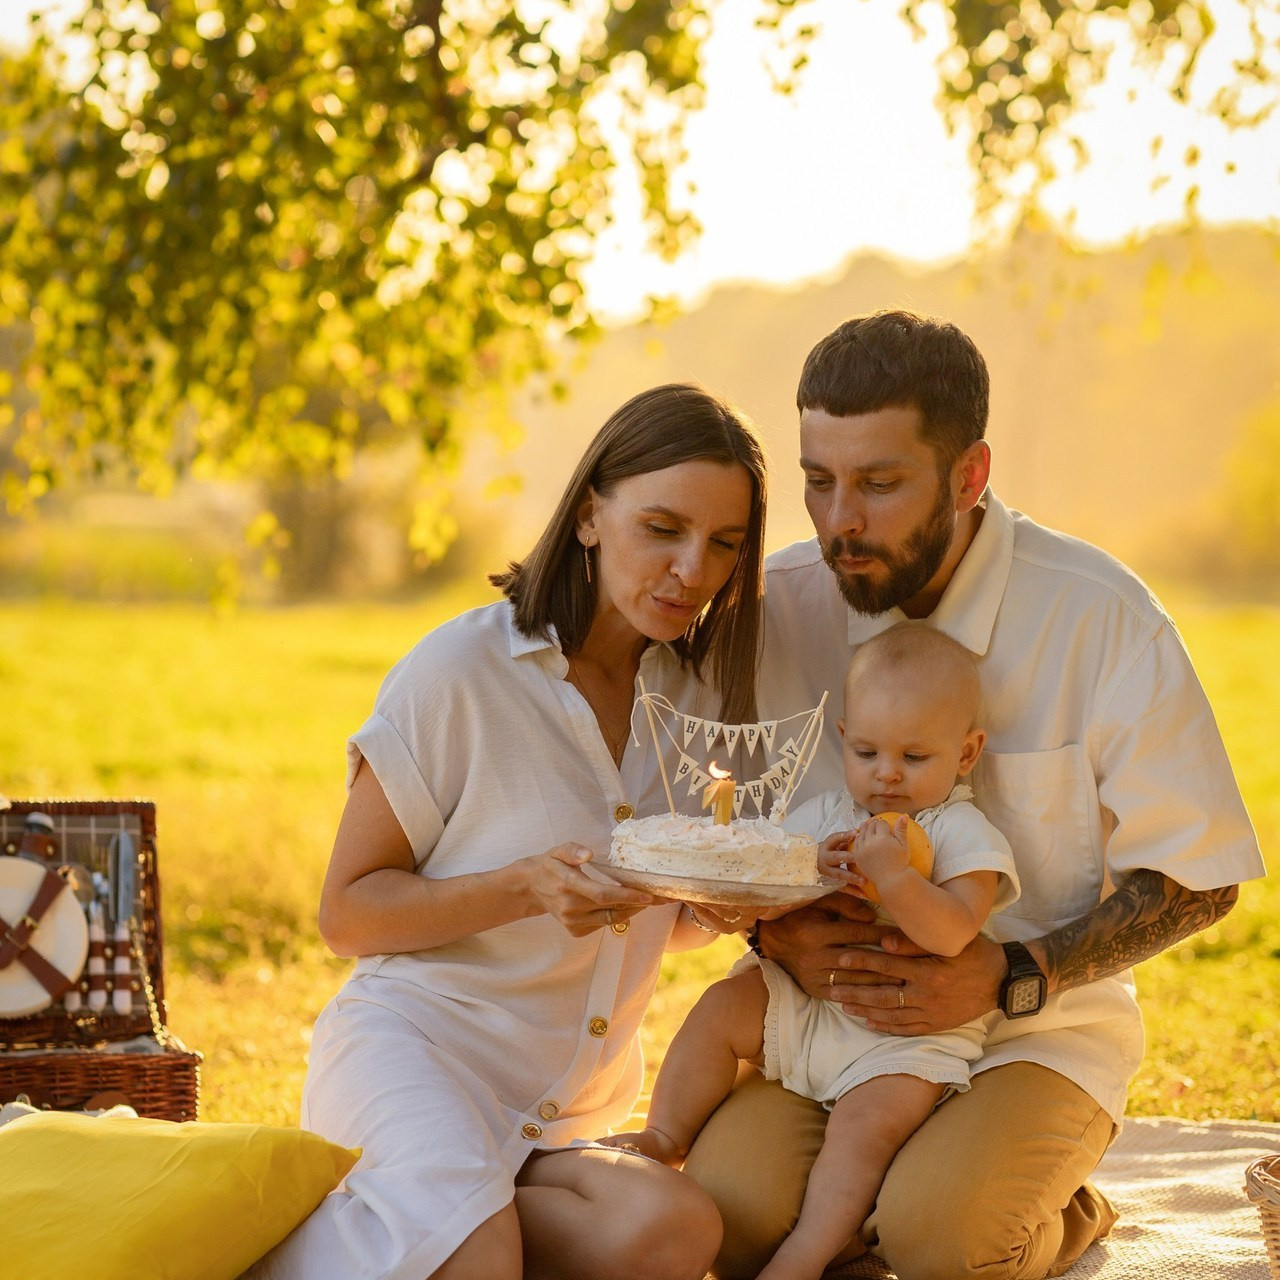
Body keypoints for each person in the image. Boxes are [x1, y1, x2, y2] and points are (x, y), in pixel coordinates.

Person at [680, 311, 1265, 1280]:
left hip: (1038, 1030)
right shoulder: (774, 610)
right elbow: (693, 832)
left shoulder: (1101, 615)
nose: (838, 521)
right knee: (727, 1216)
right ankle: (900, 1199)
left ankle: (1052, 1209)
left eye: (877, 483)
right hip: (828, 1024)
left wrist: (1011, 970)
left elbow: (1200, 878)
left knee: (940, 1237)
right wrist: (765, 932)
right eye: (817, 481)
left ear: (968, 476)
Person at [247, 382, 771, 1280]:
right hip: (417, 1055)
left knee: (674, 1230)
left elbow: (653, 917)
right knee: (480, 1257)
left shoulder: (700, 703)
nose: (694, 569)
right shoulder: (462, 670)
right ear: (591, 514)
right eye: (663, 529)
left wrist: (714, 904)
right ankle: (255, 1252)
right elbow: (347, 915)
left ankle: (416, 1224)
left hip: (564, 1113)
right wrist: (521, 886)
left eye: (724, 544)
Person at [601, 622, 1019, 1280]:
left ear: (966, 754)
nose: (887, 775)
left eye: (915, 759)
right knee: (719, 1007)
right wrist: (806, 872)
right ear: (845, 736)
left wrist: (898, 880)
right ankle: (664, 1133)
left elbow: (953, 931)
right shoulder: (825, 814)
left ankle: (807, 1253)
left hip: (901, 1037)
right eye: (868, 751)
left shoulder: (962, 831)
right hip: (805, 1005)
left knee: (863, 1133)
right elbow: (762, 902)